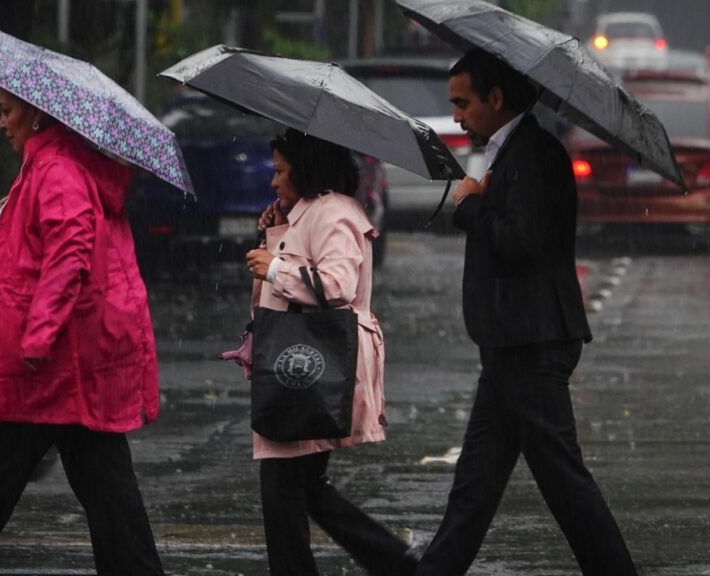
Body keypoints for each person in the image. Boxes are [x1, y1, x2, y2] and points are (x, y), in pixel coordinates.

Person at [411, 49, 638, 575]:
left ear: (497, 97)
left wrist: (468, 206)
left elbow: (522, 243)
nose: (458, 116)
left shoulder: (534, 154)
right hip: (510, 344)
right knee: (474, 490)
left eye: (463, 103)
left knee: (564, 485)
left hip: (531, 344)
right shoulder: (511, 153)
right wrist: (479, 200)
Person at [0, 89, 164, 576]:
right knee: (112, 505)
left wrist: (38, 336)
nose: (2, 123)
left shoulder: (56, 170)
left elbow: (71, 250)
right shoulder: (56, 166)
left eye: (8, 112)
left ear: (36, 116)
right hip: (71, 374)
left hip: (45, 373)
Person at [225, 128, 418, 576]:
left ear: (305, 169)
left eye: (280, 171)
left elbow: (335, 286)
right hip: (298, 366)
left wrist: (274, 266)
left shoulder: (335, 213)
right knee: (305, 490)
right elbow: (290, 281)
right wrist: (276, 233)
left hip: (309, 368)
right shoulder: (310, 210)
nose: (273, 182)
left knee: (284, 494)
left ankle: (395, 563)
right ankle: (396, 563)